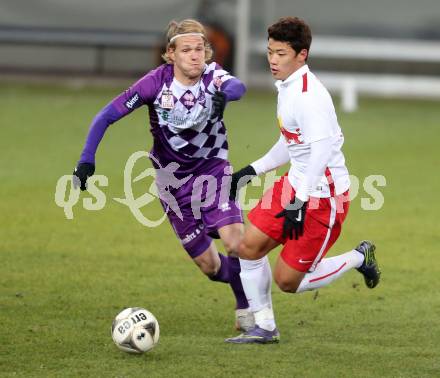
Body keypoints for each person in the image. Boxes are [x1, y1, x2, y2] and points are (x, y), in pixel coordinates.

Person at [73, 19, 254, 331]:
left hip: (212, 172)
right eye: (187, 50)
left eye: (200, 49)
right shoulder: (155, 84)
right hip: (172, 186)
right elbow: (105, 116)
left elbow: (237, 86)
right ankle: (246, 285)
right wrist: (87, 159)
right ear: (171, 54)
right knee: (210, 267)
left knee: (236, 243)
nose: (195, 55)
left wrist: (227, 95)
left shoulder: (213, 76)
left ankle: (247, 309)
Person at [225, 17, 381, 344]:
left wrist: (300, 200)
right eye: (270, 52)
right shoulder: (287, 87)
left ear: (302, 54)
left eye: (281, 53)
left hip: (324, 198)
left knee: (288, 281)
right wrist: (252, 170)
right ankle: (264, 327)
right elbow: (293, 141)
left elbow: (322, 151)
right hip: (295, 185)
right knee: (248, 247)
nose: (272, 60)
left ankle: (358, 257)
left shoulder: (310, 96)